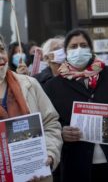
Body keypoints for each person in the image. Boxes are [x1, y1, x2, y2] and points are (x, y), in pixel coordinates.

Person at [43, 28, 108, 182]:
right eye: (73, 47)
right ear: (66, 52)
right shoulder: (53, 86)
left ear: (90, 48)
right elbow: (49, 122)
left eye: (83, 45)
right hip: (77, 166)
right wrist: (62, 132)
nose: (79, 49)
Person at [0, 34, 62, 182]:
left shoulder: (30, 84)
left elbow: (51, 124)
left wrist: (49, 153)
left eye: (1, 49)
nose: (1, 56)